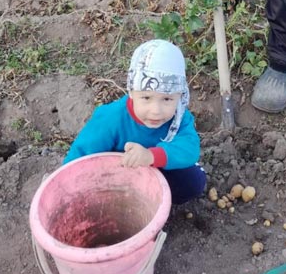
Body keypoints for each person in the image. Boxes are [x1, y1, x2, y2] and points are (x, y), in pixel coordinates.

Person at [63, 39, 206, 205]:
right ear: (131, 92)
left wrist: (151, 156)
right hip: (115, 174)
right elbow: (81, 154)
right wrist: (66, 184)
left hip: (157, 167)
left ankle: (155, 202)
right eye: (146, 98)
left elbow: (189, 147)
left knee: (194, 182)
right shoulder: (111, 118)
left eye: (167, 99)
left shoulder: (179, 117)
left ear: (180, 96)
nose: (156, 110)